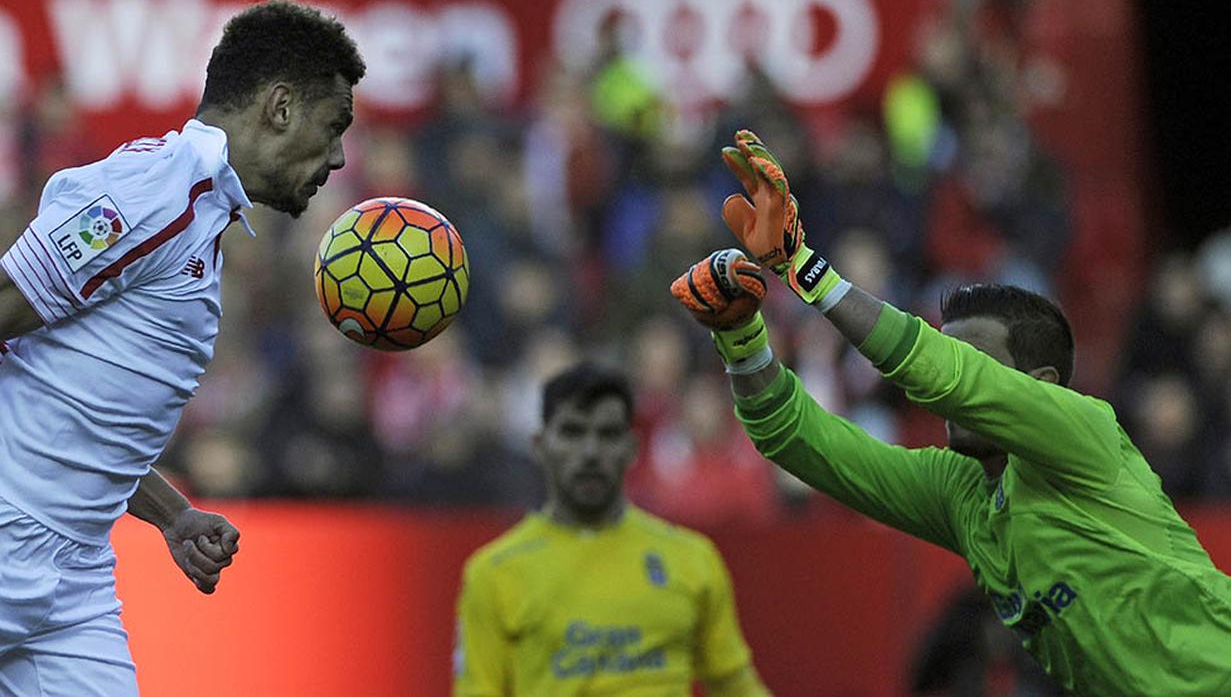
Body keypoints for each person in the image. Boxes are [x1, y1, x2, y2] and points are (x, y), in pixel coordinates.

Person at [670, 130, 1231, 695]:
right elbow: (798, 440)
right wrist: (742, 338)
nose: (950, 387)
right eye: (951, 347)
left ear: (1043, 387)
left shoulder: (1084, 433)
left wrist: (805, 269)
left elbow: (942, 373)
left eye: (978, 359)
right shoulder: (961, 495)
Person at [0, 0, 364, 694]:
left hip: (71, 578)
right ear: (280, 107)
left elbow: (73, 403)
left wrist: (173, 515)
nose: (341, 155)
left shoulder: (196, 213)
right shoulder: (157, 194)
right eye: (334, 124)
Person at [453, 362, 770, 696]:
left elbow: (734, 684)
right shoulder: (494, 573)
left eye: (607, 434)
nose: (590, 452)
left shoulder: (692, 559)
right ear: (539, 445)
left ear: (632, 449)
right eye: (573, 432)